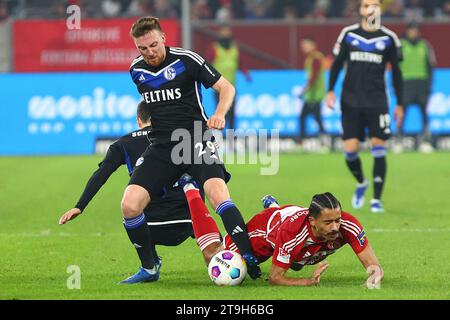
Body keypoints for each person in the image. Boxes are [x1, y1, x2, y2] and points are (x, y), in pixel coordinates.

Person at [122, 16, 261, 282]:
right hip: (162, 146)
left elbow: (226, 88)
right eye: (143, 48)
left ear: (163, 38)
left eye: (153, 44)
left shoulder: (187, 59)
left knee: (217, 194)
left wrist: (219, 113)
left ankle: (248, 256)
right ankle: (150, 268)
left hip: (195, 140)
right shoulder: (136, 71)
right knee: (129, 205)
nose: (149, 52)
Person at [58, 101, 196, 283]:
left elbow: (101, 175)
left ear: (139, 120)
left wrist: (79, 206)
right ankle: (222, 250)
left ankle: (149, 265)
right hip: (189, 224)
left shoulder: (123, 144)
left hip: (150, 228)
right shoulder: (182, 138)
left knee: (132, 206)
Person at [177, 174, 384, 287]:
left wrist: (374, 274)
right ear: (313, 221)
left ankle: (275, 206)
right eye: (328, 222)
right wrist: (308, 282)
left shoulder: (348, 224)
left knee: (296, 262)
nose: (335, 227)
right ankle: (191, 190)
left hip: (291, 220)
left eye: (337, 220)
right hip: (268, 230)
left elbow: (372, 263)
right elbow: (275, 278)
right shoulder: (291, 235)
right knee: (213, 255)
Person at [326, 0, 404, 213]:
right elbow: (336, 64)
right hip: (350, 101)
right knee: (350, 150)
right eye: (366, 5)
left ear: (380, 9)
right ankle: (362, 182)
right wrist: (330, 90)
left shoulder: (389, 38)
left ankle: (376, 200)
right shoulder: (348, 34)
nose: (370, 8)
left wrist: (400, 103)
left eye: (375, 4)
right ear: (359, 10)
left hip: (378, 101)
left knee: (378, 146)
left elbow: (397, 73)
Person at [398, 22, 436, 153]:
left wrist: (429, 85)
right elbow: (395, 67)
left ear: (418, 32)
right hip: (405, 83)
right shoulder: (400, 45)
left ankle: (425, 141)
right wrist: (396, 86)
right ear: (407, 31)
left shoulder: (425, 45)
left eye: (415, 30)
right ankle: (399, 140)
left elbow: (430, 66)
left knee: (424, 113)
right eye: (411, 30)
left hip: (421, 83)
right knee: (402, 113)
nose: (413, 33)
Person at [207, 25, 251, 130]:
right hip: (218, 86)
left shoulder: (234, 47)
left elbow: (239, 62)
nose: (226, 33)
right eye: (224, 31)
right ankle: (219, 135)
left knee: (232, 112)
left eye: (228, 31)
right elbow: (207, 63)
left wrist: (246, 74)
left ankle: (231, 136)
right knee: (220, 111)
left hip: (231, 86)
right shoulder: (214, 48)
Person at [298, 36, 327, 148]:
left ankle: (305, 141)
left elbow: (313, 77)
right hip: (312, 95)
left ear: (313, 45)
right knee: (313, 117)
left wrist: (304, 90)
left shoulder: (315, 58)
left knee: (309, 117)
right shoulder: (312, 58)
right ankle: (322, 140)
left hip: (314, 94)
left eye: (306, 45)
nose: (303, 47)